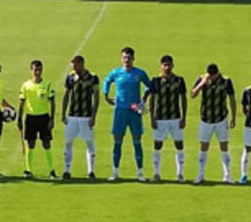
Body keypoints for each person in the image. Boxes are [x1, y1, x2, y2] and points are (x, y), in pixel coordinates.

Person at [102, 47, 152, 182]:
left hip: (135, 111)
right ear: (121, 58)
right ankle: (115, 171)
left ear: (133, 58)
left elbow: (150, 86)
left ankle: (140, 172)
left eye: (129, 58)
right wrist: (106, 96)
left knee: (137, 142)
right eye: (124, 57)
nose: (126, 60)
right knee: (117, 142)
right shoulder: (116, 73)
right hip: (120, 111)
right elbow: (106, 81)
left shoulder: (139, 73)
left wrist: (143, 100)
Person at [190, 63, 237, 184]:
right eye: (210, 76)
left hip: (221, 118)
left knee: (224, 146)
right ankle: (200, 174)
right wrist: (202, 83)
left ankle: (227, 175)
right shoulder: (202, 79)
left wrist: (233, 116)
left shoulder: (226, 81)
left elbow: (232, 98)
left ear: (218, 73)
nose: (212, 78)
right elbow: (193, 94)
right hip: (206, 119)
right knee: (204, 146)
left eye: (213, 76)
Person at [143, 54, 187, 182]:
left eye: (169, 65)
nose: (167, 67)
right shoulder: (155, 81)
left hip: (175, 117)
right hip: (160, 118)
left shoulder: (179, 80)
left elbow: (183, 99)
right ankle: (156, 174)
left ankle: (180, 174)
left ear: (173, 65)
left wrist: (184, 117)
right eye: (164, 65)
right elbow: (152, 100)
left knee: (179, 144)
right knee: (157, 145)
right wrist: (152, 118)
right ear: (161, 66)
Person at [62, 55, 100, 180]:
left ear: (82, 63)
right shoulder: (71, 77)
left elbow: (96, 97)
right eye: (72, 64)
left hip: (86, 116)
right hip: (72, 115)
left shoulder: (93, 78)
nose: (73, 66)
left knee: (89, 143)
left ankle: (91, 171)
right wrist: (63, 113)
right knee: (68, 143)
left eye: (75, 64)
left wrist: (94, 116)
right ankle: (67, 170)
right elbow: (66, 95)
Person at [17, 60, 57, 179]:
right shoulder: (26, 85)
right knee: (31, 143)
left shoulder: (47, 84)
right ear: (31, 70)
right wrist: (19, 117)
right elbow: (22, 102)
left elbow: (52, 102)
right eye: (35, 70)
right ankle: (28, 170)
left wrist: (52, 119)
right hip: (30, 117)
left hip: (44, 117)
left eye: (39, 70)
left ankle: (51, 170)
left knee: (46, 143)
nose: (37, 72)